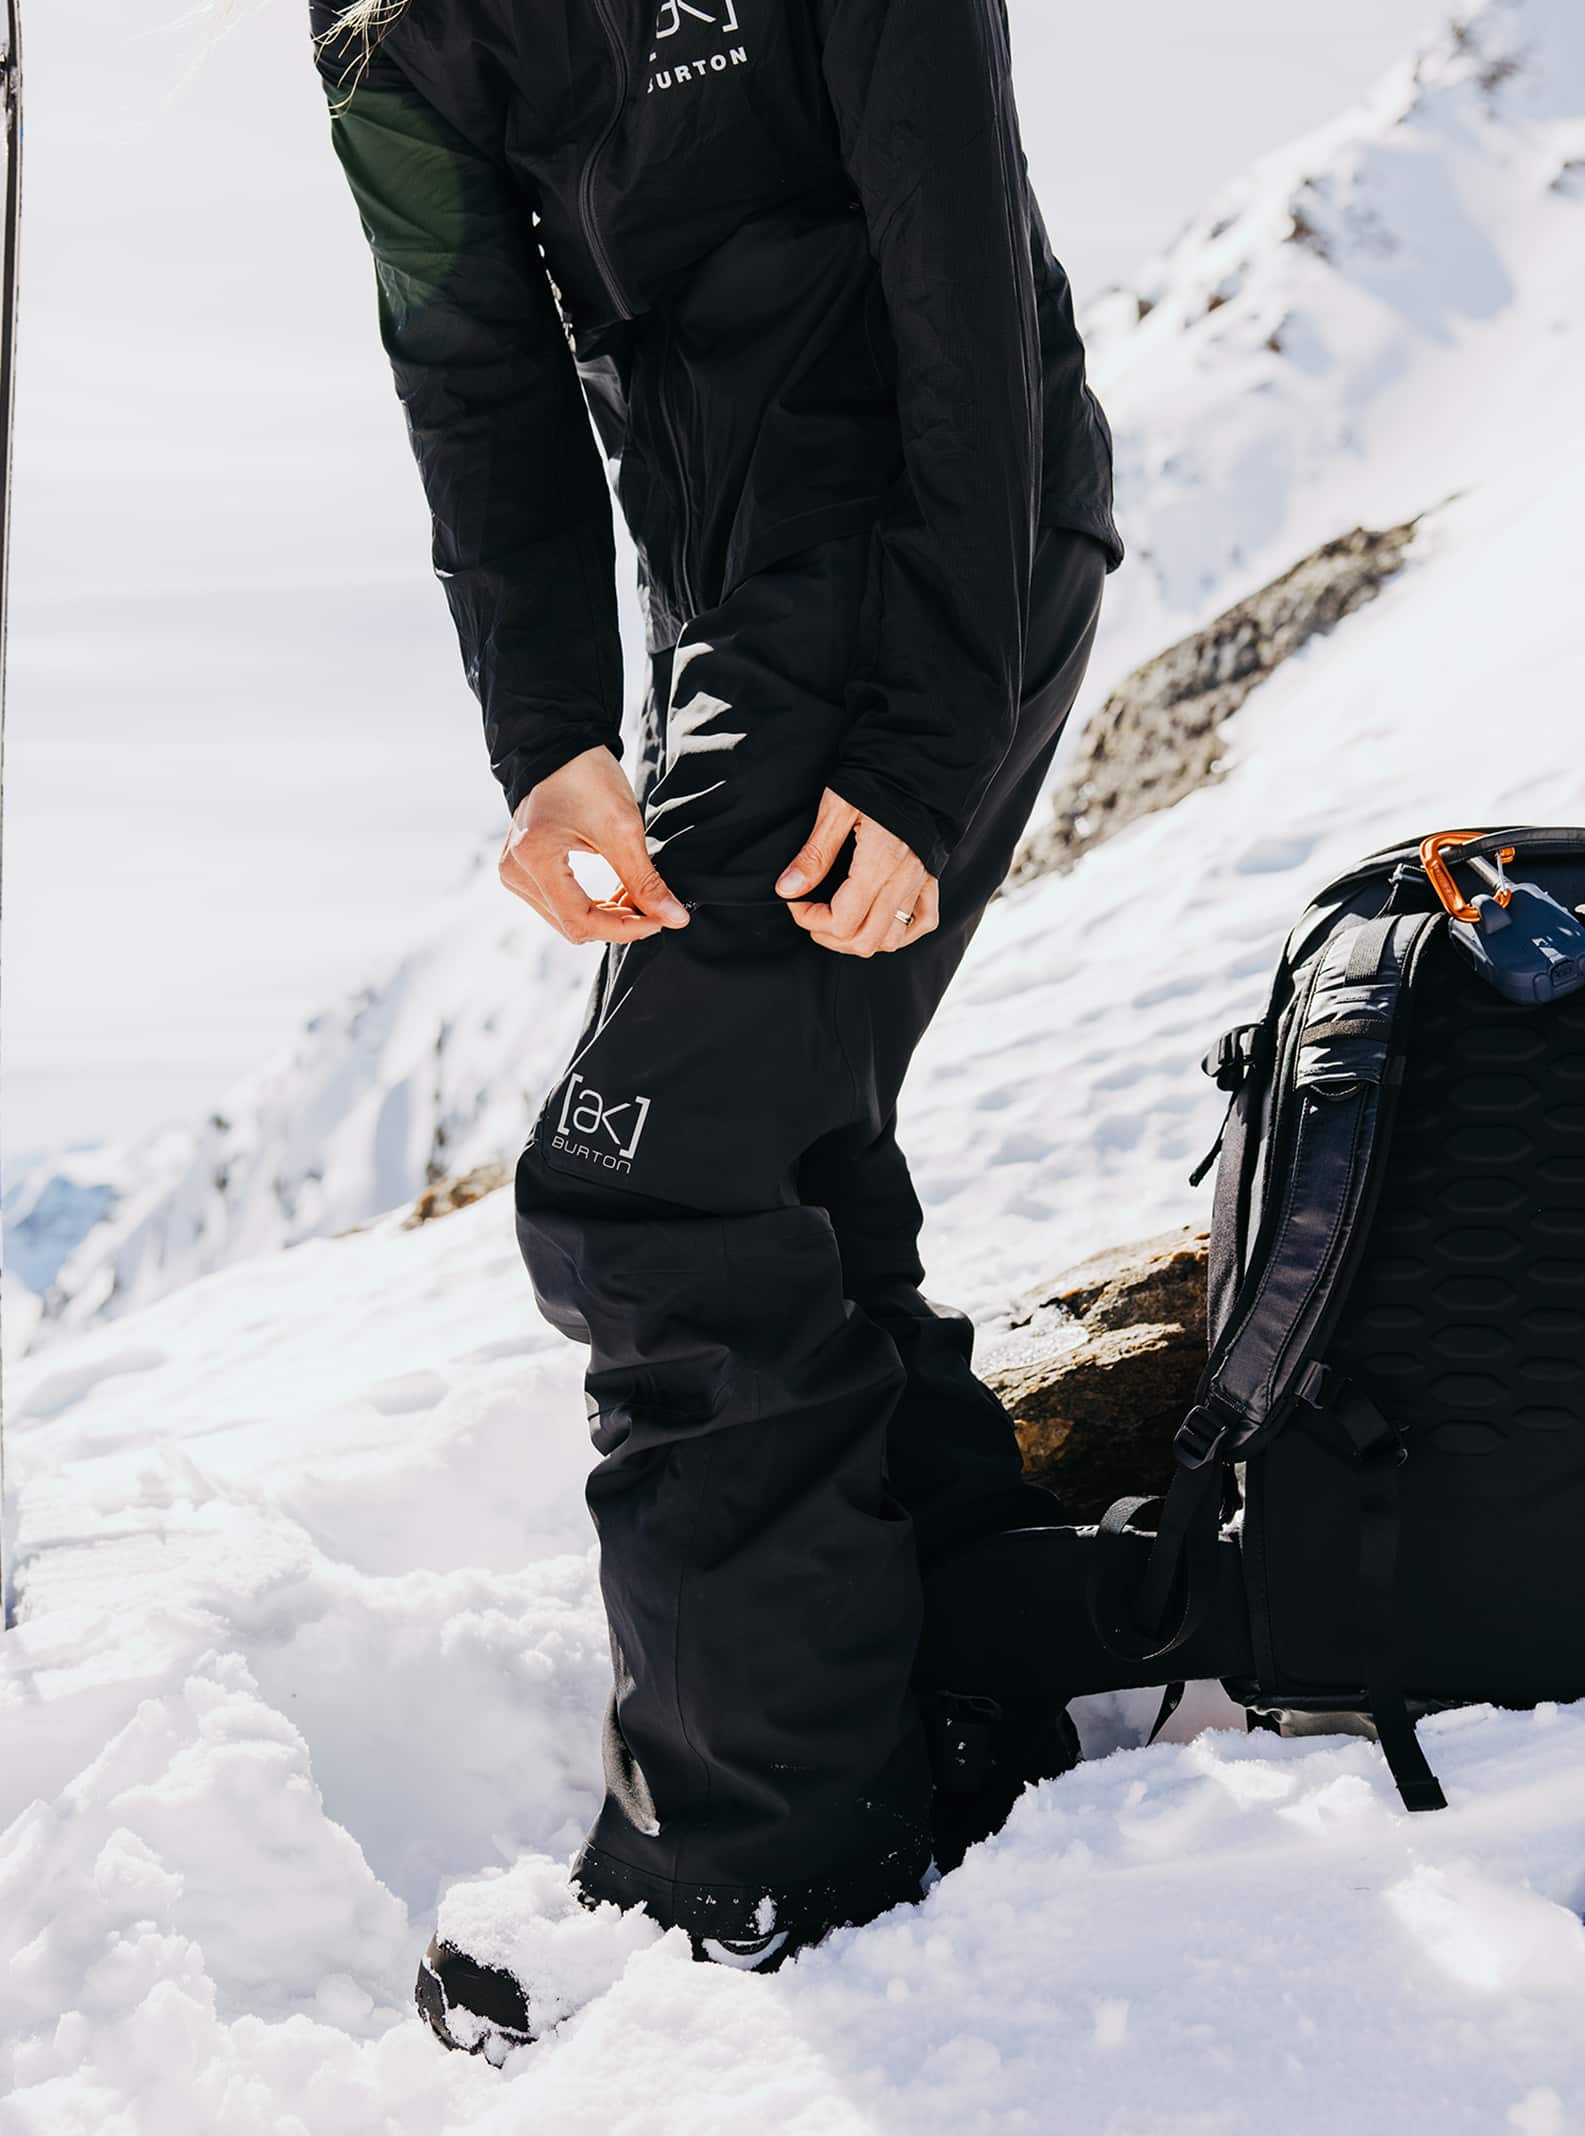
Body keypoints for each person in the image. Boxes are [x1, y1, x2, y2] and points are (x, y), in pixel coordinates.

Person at [311, 0, 1121, 2048]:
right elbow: (470, 359)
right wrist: (549, 734)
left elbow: (954, 256)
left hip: (935, 542)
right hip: (733, 611)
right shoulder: (384, 30)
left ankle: (759, 1858)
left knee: (652, 1183)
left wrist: (922, 738)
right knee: (788, 1152)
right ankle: (968, 1685)